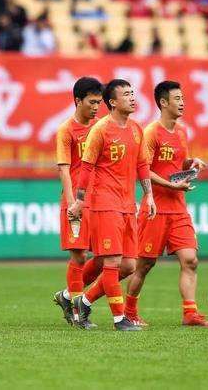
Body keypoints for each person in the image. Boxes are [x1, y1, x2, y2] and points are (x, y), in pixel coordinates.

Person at [124, 81, 208, 328]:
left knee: (191, 260)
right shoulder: (151, 133)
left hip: (178, 208)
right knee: (144, 265)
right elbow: (142, 170)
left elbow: (177, 163)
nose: (183, 102)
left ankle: (190, 314)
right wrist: (171, 185)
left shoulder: (182, 132)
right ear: (163, 102)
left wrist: (191, 163)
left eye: (183, 97)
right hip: (155, 209)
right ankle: (129, 312)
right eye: (177, 98)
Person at [67, 79, 156, 331]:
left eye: (133, 93)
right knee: (112, 262)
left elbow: (142, 166)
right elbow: (87, 166)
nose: (132, 98)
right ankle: (120, 319)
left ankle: (83, 301)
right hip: (105, 203)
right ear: (113, 102)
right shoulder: (101, 130)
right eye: (126, 94)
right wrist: (80, 201)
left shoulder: (137, 129)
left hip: (128, 205)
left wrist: (148, 195)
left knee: (128, 266)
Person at [52, 77, 103, 325]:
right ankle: (76, 311)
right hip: (76, 201)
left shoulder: (100, 128)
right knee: (80, 256)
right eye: (92, 102)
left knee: (106, 257)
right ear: (77, 100)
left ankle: (67, 295)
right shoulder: (66, 130)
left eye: (99, 102)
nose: (96, 107)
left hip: (101, 200)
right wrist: (74, 203)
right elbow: (64, 169)